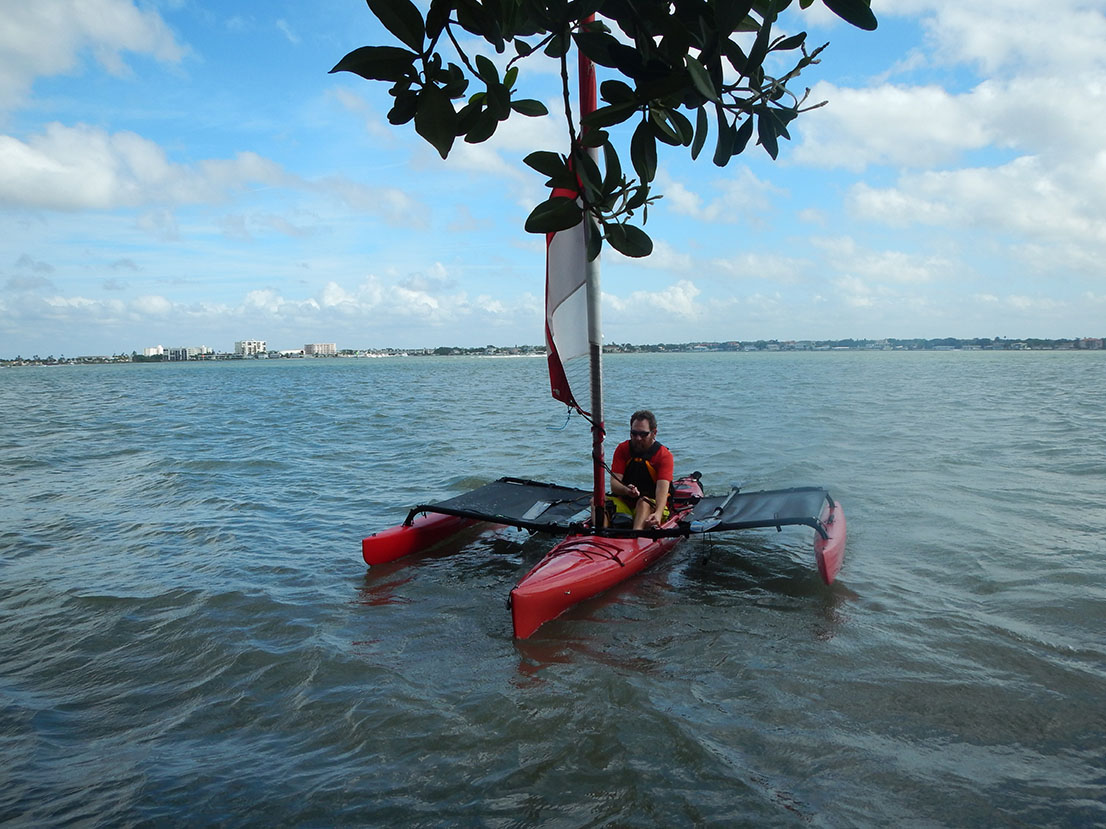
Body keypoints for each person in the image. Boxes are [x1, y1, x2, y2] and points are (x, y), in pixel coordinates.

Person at [609, 409, 674, 530]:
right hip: (626, 504)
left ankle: (636, 535)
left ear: (654, 433)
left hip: (652, 505)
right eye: (634, 433)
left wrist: (658, 514)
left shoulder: (664, 455)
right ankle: (598, 535)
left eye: (643, 434)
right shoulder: (622, 449)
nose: (638, 438)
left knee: (644, 502)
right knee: (597, 501)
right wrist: (626, 490)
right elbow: (614, 484)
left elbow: (662, 489)